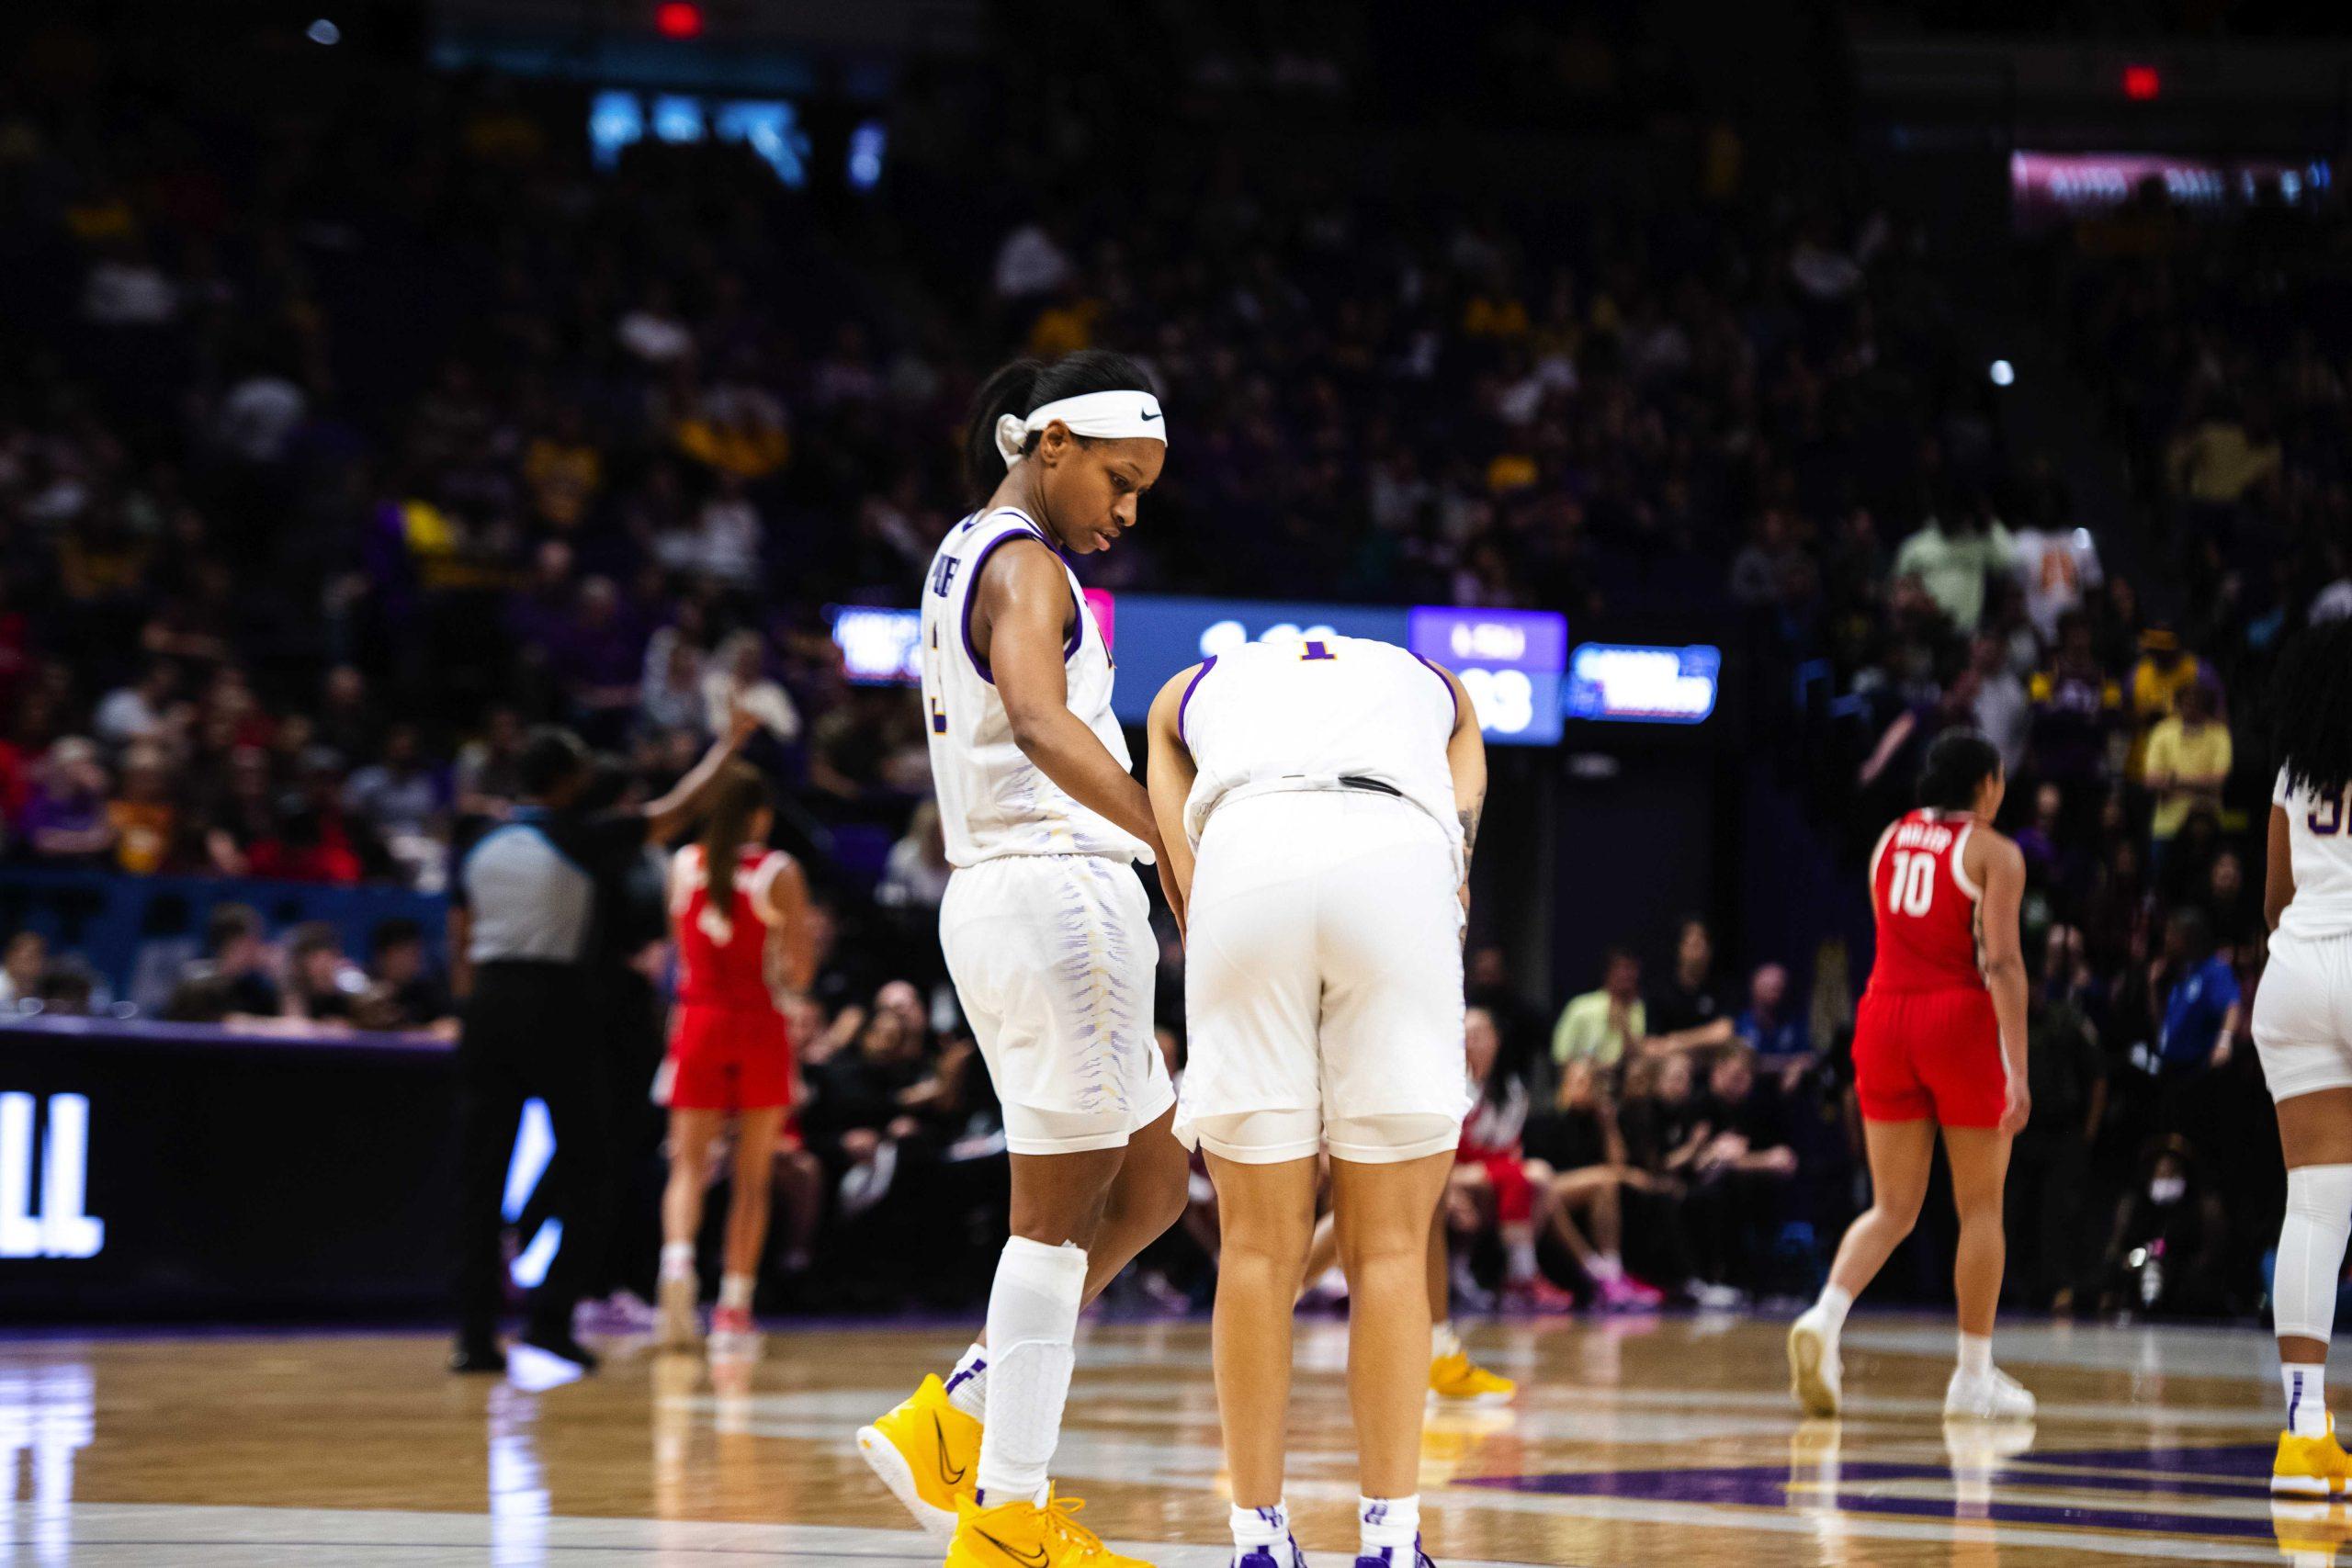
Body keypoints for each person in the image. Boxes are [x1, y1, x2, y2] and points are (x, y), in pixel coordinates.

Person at [856, 351, 1186, 1568]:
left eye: (1144, 488)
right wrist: (1170, 836)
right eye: (1118, 477)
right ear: (1050, 443)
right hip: (1057, 891)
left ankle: (961, 1409)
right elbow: (1043, 723)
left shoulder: (963, 551)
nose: (1128, 508)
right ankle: (1006, 1509)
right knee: (1048, 1227)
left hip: (1011, 893)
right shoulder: (1028, 565)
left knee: (1152, 1181)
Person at [1146, 628, 1484, 1568]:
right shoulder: (1430, 679)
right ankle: (1388, 1539)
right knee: (1388, 1248)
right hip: (1397, 854)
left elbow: (1162, 730)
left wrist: (1185, 874)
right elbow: (1466, 751)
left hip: (1247, 853)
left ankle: (1256, 1539)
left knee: (1255, 1248)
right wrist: (1452, 881)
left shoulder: (1207, 674)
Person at [447, 710, 756, 1376]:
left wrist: (467, 1005)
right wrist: (728, 745)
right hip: (556, 1005)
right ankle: (551, 1320)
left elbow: (460, 939)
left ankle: (473, 1338)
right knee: (592, 1169)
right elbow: (676, 811)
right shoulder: (580, 835)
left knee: (479, 1179)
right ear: (565, 781)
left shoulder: (476, 840)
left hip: (487, 1008)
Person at [1788, 728, 2035, 1421]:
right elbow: (2003, 964)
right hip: (1955, 1018)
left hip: (1883, 1014)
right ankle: (1972, 1376)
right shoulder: (1994, 850)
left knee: (1891, 1206)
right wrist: (2016, 1065)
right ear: (1986, 784)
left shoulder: (1890, 838)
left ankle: (1825, 1316)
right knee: (1980, 1206)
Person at [652, 762, 814, 1356]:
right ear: (761, 815)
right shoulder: (778, 871)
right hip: (758, 1023)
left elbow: (678, 953)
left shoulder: (683, 865)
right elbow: (800, 969)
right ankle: (733, 1307)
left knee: (687, 1166)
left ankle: (675, 1267)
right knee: (751, 1177)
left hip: (697, 1020)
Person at [2248, 619, 2352, 1494]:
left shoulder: (2293, 770)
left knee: (2315, 1210)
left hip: (2293, 975)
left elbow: (2276, 897)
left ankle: (2302, 1434)